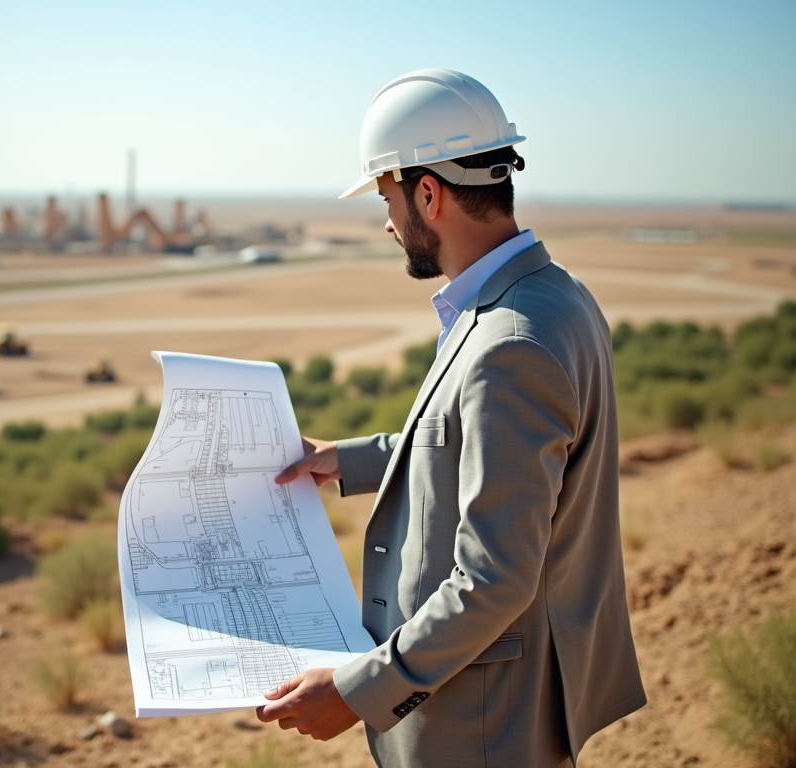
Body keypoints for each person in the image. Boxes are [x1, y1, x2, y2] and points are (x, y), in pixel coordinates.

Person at [256, 69, 646, 767]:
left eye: (386, 196)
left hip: (482, 723)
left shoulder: (510, 343)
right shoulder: (554, 295)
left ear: (428, 194)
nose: (385, 221)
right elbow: (478, 442)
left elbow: (493, 578)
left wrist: (357, 689)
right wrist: (347, 458)